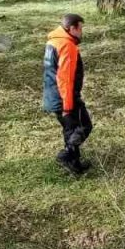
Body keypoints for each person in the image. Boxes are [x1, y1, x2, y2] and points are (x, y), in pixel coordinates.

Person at [44, 14, 92, 176]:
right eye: (80, 28)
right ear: (72, 28)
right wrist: (68, 105)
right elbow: (65, 78)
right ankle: (66, 156)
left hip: (52, 95)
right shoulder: (67, 45)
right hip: (65, 97)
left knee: (70, 131)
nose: (81, 32)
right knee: (84, 126)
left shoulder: (53, 41)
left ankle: (75, 165)